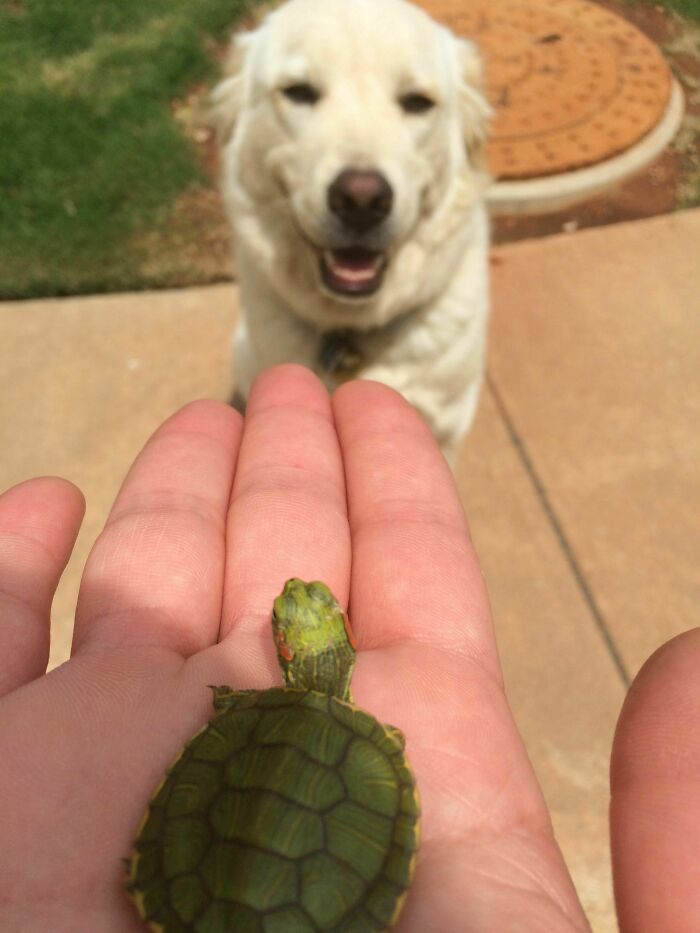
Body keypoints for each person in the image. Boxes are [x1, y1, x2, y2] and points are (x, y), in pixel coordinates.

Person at [0, 365, 697, 931]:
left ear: (283, 646)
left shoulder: (242, 713)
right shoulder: (374, 748)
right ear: (343, 642)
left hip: (186, 896)